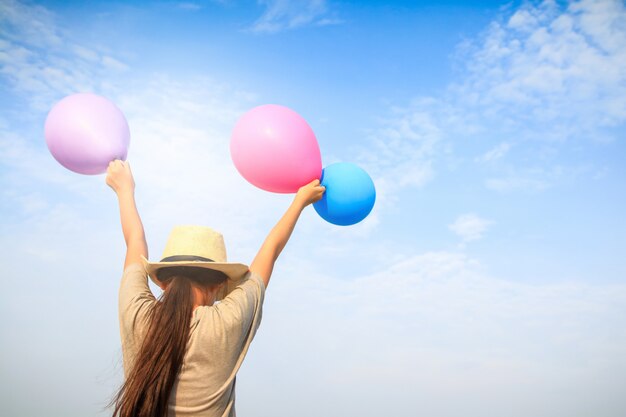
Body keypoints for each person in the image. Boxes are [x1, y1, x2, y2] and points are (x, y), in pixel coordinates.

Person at [105, 159, 325, 417]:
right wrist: (299, 202)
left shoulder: (138, 314)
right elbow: (270, 251)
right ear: (220, 284)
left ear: (163, 280)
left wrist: (124, 190)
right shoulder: (226, 322)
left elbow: (134, 241)